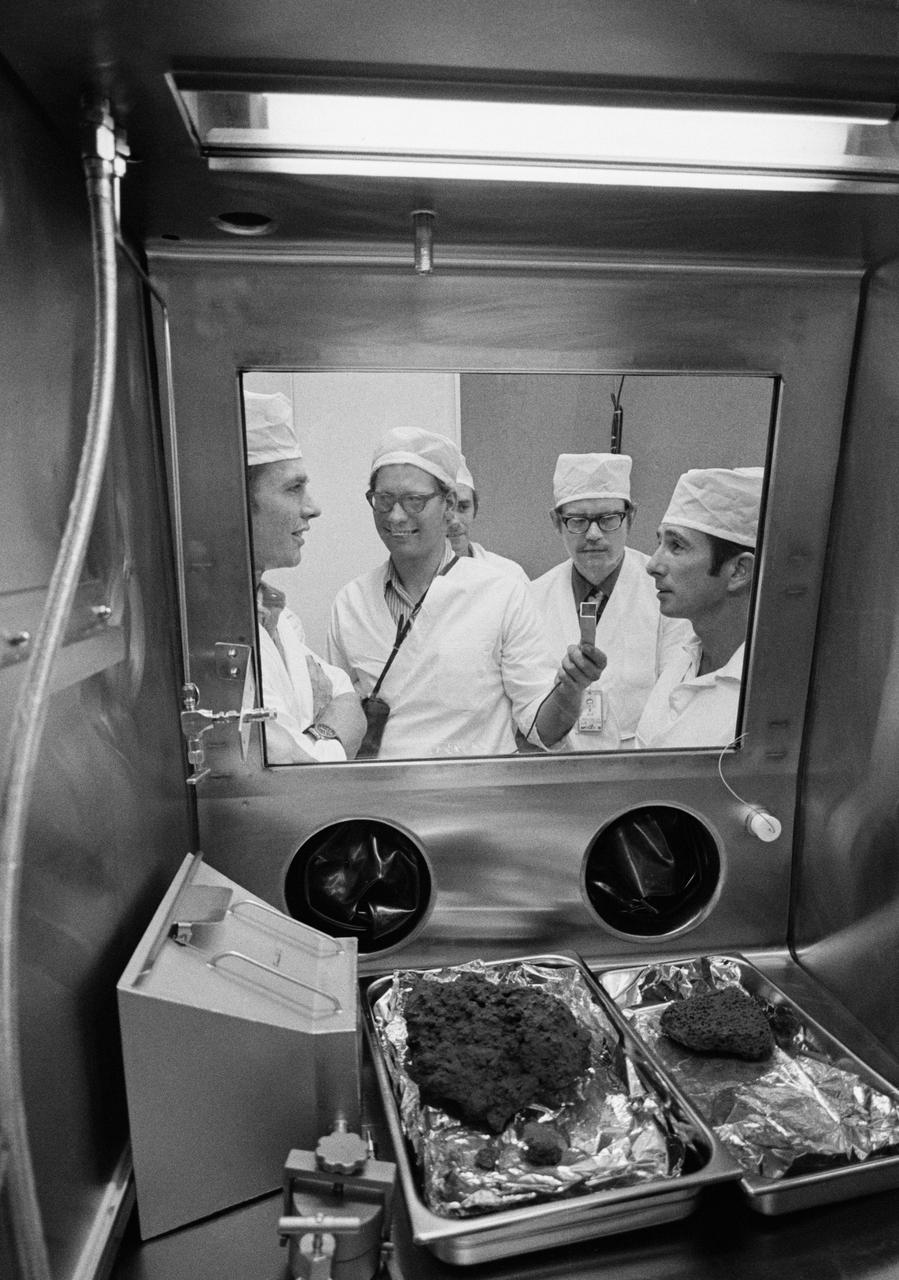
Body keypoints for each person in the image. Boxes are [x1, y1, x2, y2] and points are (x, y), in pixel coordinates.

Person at [325, 426, 605, 758]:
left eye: (414, 501)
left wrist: (571, 690)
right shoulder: (350, 603)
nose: (396, 515)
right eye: (383, 500)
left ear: (448, 505)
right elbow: (338, 714)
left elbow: (538, 727)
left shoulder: (501, 594)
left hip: (478, 797)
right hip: (382, 797)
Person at [530, 453, 693, 749]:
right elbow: (529, 715)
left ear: (631, 517)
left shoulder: (666, 595)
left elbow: (677, 701)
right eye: (577, 521)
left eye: (608, 520)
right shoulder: (531, 598)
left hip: (641, 764)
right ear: (556, 522)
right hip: (557, 768)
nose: (593, 534)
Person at [244, 389, 366, 763]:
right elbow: (279, 764)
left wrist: (314, 742)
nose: (313, 508)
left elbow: (346, 699)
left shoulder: (276, 618)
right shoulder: (207, 636)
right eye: (293, 488)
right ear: (233, 498)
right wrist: (320, 752)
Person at [635, 465, 764, 749]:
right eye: (659, 542)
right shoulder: (685, 661)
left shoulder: (767, 700)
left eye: (677, 546)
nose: (653, 565)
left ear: (739, 571)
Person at [447, 459, 528, 581]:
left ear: (475, 509)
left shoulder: (509, 575)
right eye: (446, 509)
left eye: (463, 507)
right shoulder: (412, 580)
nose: (454, 521)